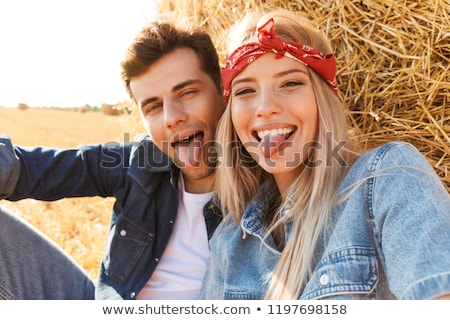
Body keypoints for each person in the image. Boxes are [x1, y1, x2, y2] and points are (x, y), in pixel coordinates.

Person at [200, 9, 450, 300]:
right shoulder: (229, 242)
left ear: (323, 96)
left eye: (290, 83)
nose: (265, 107)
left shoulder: (387, 178)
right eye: (245, 91)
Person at [0, 15, 224, 300]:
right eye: (154, 107)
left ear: (222, 89)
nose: (172, 117)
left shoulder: (269, 182)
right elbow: (31, 169)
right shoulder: (139, 163)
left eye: (188, 92)